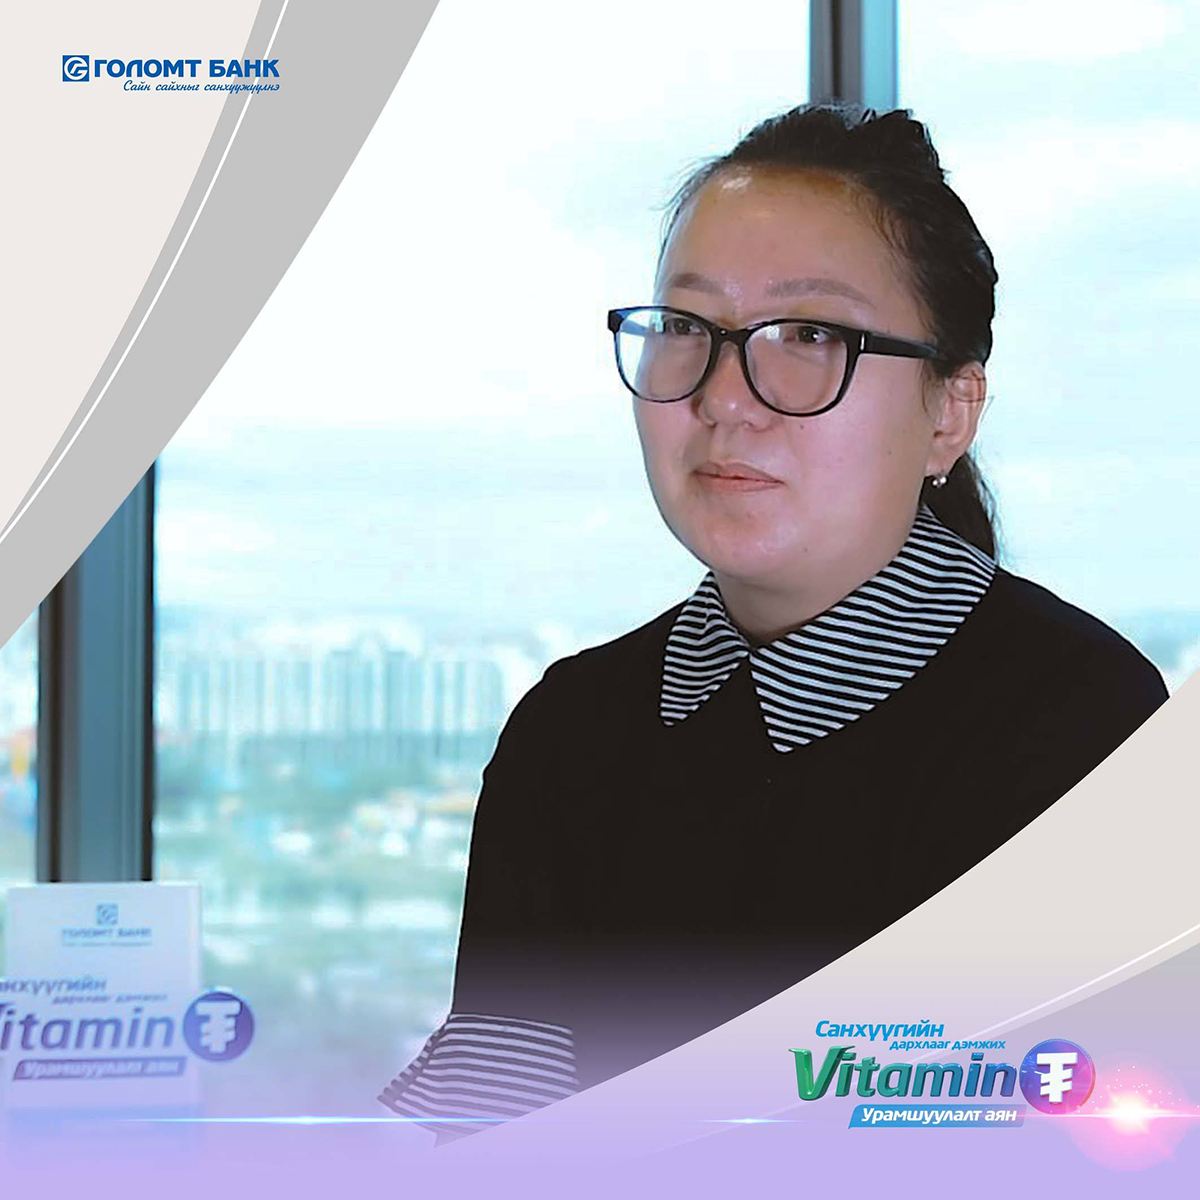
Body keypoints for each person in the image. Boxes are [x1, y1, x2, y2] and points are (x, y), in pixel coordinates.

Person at [378, 103, 1168, 1144]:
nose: (725, 398)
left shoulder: (1087, 728)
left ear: (949, 412)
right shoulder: (573, 729)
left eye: (809, 337)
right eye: (685, 330)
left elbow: (1063, 1140)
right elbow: (487, 1134)